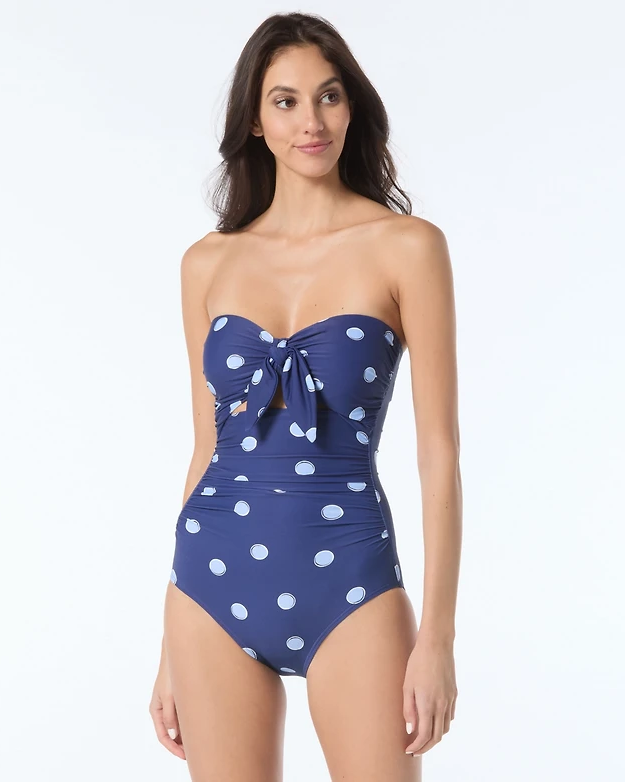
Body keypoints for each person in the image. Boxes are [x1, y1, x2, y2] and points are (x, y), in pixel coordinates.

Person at [149, 11, 461, 782]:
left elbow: (439, 452)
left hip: (350, 579)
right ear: (255, 121)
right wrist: (166, 651)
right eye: (285, 101)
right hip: (209, 583)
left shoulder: (407, 247)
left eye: (329, 96)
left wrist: (438, 639)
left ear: (352, 106)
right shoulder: (207, 263)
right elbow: (206, 448)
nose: (311, 122)